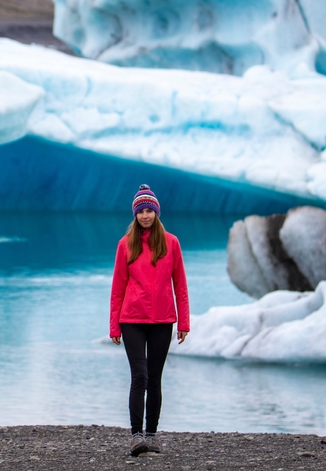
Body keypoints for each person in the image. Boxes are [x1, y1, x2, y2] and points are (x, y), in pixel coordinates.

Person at [110, 184, 190, 457]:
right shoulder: (125, 245)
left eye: (149, 211)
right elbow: (118, 287)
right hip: (132, 319)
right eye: (140, 211)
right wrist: (114, 325)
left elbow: (180, 285)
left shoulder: (171, 243)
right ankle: (135, 436)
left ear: (156, 213)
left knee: (155, 378)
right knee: (139, 376)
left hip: (163, 320)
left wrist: (184, 322)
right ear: (135, 215)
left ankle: (152, 435)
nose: (145, 216)